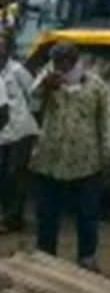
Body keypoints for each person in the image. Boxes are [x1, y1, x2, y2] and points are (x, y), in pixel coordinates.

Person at [29, 42, 110, 271]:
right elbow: (31, 107)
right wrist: (45, 89)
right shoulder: (45, 81)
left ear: (75, 61)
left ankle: (87, 257)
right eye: (56, 62)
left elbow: (107, 119)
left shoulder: (97, 86)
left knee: (87, 213)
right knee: (47, 213)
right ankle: (45, 256)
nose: (60, 67)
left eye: (65, 62)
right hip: (50, 159)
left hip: (86, 161)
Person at [0, 32, 38, 233]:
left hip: (21, 131)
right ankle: (6, 214)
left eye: (2, 46)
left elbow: (34, 96)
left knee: (15, 175)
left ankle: (13, 218)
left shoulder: (17, 71)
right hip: (3, 133)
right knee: (4, 175)